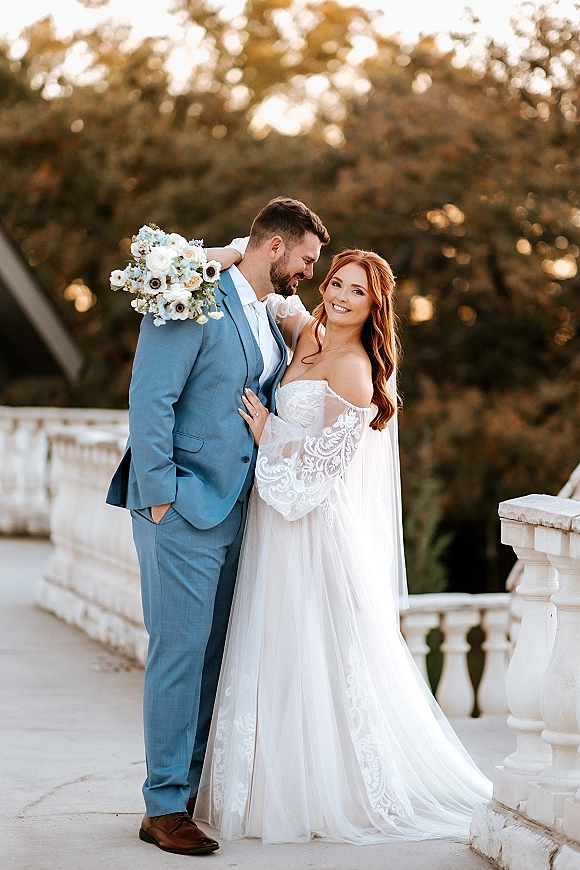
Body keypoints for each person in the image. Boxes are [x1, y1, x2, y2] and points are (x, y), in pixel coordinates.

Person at [195, 248, 492, 844]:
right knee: (270, 642)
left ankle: (317, 790)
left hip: (309, 526)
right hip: (274, 520)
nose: (340, 297)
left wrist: (267, 430)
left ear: (374, 306)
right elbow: (265, 289)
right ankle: (257, 783)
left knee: (310, 649)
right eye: (336, 283)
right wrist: (227, 254)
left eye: (357, 292)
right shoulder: (308, 331)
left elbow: (326, 463)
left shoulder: (354, 367)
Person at [106, 197, 330, 855]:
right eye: (307, 260)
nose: (310, 275)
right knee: (179, 654)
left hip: (237, 508)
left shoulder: (264, 313)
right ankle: (162, 806)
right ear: (273, 247)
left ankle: (192, 791)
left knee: (212, 658)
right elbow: (152, 396)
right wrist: (159, 497)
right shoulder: (193, 292)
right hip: (180, 508)